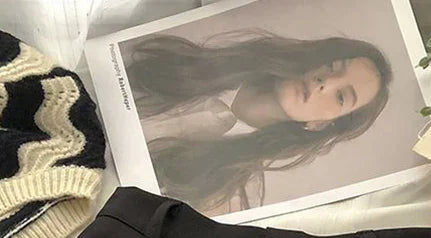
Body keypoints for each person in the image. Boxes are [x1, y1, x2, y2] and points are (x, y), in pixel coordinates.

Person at [124, 29, 392, 214]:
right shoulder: (188, 62)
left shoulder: (230, 192)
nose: (326, 82)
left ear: (321, 124)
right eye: (333, 66)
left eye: (341, 96)